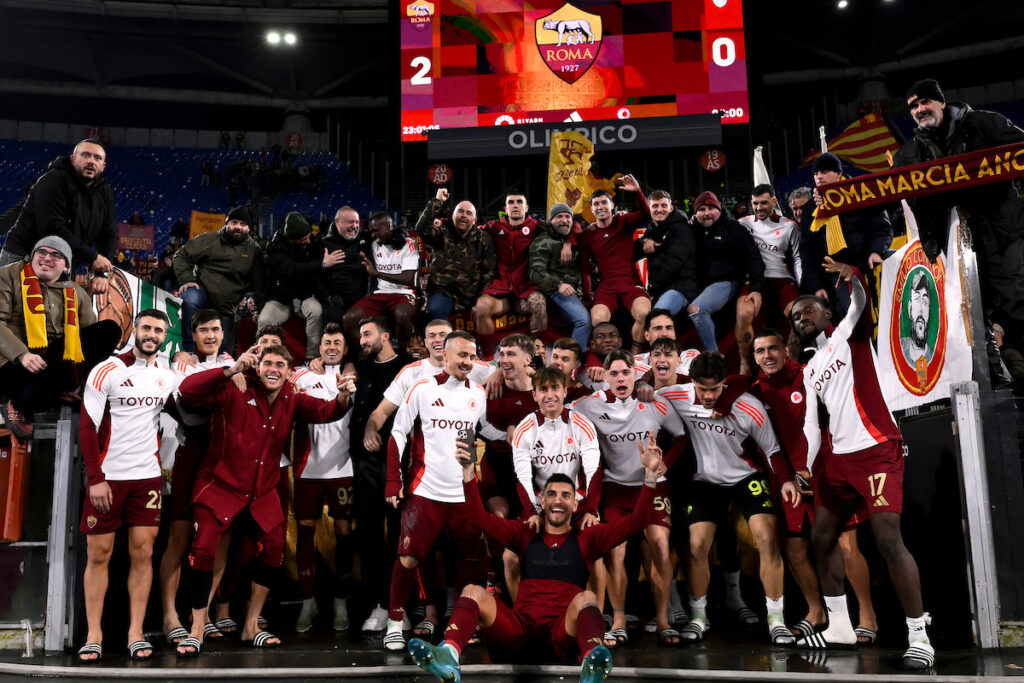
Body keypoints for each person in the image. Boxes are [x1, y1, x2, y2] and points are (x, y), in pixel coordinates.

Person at [406, 429, 666, 683]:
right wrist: (467, 471)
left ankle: (592, 664)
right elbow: (477, 518)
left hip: (561, 636)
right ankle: (448, 656)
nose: (558, 500)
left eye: (566, 495)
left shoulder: (589, 537)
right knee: (473, 591)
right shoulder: (525, 532)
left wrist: (650, 476)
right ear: (542, 501)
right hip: (520, 634)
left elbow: (637, 522)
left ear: (576, 504)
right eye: (551, 494)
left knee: (587, 598)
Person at [790, 259, 934, 669]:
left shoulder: (848, 334)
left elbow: (859, 302)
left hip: (876, 449)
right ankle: (839, 625)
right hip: (838, 461)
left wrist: (853, 276)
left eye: (808, 310)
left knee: (888, 539)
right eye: (795, 316)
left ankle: (919, 636)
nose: (801, 318)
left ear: (826, 313)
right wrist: (805, 467)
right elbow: (811, 425)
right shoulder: (809, 370)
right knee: (821, 538)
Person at [174, 344, 354, 657]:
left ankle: (250, 626)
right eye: (268, 363)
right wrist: (231, 370)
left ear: (289, 372)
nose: (273, 369)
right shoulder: (235, 387)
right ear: (258, 367)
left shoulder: (292, 396)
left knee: (273, 549)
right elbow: (188, 391)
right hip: (219, 486)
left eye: (280, 365)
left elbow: (327, 412)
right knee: (203, 550)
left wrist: (342, 397)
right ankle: (197, 629)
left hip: (261, 491)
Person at [747, 328, 877, 643]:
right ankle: (815, 612)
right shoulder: (755, 392)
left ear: (785, 350)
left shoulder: (810, 374)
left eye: (773, 348)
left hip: (830, 474)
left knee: (846, 546)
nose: (767, 355)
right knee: (795, 550)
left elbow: (839, 419)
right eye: (760, 351)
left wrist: (818, 472)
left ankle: (868, 617)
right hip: (792, 481)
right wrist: (787, 478)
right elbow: (770, 446)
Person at [657, 351, 796, 645]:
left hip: (746, 477)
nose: (708, 396)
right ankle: (698, 617)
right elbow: (647, 397)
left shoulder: (748, 406)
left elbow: (773, 451)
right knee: (697, 546)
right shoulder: (675, 396)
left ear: (724, 383)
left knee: (767, 540)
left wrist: (785, 480)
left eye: (715, 389)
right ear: (691, 382)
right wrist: (644, 389)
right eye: (702, 389)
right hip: (706, 481)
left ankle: (776, 619)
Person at [77, 309, 179, 663]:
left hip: (147, 478)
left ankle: (136, 633)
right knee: (98, 555)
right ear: (134, 329)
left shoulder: (167, 375)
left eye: (159, 330)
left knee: (143, 554)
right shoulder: (106, 369)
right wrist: (95, 479)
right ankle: (93, 635)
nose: (152, 335)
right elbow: (87, 427)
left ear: (165, 337)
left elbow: (194, 400)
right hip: (108, 479)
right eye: (146, 328)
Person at [893, 78, 1024, 348]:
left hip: (1003, 234)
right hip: (955, 247)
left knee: (1017, 301)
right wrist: (834, 198)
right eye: (914, 107)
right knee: (973, 319)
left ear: (941, 102)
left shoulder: (984, 124)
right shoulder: (910, 154)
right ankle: (997, 371)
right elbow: (883, 194)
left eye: (926, 102)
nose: (920, 109)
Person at [571, 350, 687, 647]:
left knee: (660, 547)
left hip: (654, 486)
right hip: (616, 489)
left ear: (636, 374)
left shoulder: (655, 403)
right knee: (616, 552)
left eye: (626, 373)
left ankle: (663, 620)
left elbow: (681, 436)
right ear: (606, 377)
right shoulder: (589, 405)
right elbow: (560, 403)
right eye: (614, 373)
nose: (620, 378)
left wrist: (665, 465)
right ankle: (619, 620)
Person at [382, 330, 488, 652]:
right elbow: (398, 432)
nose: (467, 362)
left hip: (463, 493)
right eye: (462, 356)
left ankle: (460, 623)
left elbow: (484, 432)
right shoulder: (422, 388)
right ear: (445, 355)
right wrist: (393, 480)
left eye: (472, 357)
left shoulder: (479, 394)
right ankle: (394, 624)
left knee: (469, 559)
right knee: (409, 557)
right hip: (425, 490)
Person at [159, 309, 235, 646]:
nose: (210, 335)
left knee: (220, 538)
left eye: (215, 329)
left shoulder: (232, 361)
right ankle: (169, 616)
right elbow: (187, 407)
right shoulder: (182, 363)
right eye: (204, 330)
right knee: (178, 537)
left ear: (223, 333)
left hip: (224, 457)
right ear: (194, 334)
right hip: (191, 453)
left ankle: (200, 616)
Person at [0, 236, 119, 439]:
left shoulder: (76, 292)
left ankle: (69, 385)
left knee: (109, 329)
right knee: (42, 371)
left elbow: (89, 339)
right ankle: (17, 405)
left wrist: (84, 374)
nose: (47, 258)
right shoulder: (7, 275)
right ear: (32, 256)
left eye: (56, 255)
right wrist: (22, 354)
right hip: (14, 364)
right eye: (42, 252)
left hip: (52, 363)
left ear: (66, 265)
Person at [288, 324, 356, 632]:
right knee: (305, 534)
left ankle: (341, 601)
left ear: (345, 349)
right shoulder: (302, 375)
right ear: (319, 347)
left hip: (343, 467)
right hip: (308, 467)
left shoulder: (354, 377)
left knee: (344, 533)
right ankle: (308, 601)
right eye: (327, 342)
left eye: (337, 343)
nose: (331, 347)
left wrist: (350, 371)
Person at [348, 317, 411, 632]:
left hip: (401, 463)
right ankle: (378, 605)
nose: (362, 340)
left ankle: (400, 606)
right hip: (366, 464)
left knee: (400, 537)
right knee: (369, 536)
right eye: (360, 335)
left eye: (367, 334)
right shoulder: (359, 368)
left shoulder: (409, 368)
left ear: (386, 335)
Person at [362, 319, 494, 454]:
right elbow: (382, 411)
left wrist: (499, 373)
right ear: (426, 342)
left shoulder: (472, 366)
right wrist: (370, 430)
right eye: (432, 336)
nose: (437, 340)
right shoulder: (411, 373)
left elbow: (504, 370)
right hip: (424, 457)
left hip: (463, 453)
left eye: (442, 335)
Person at [1, 139, 115, 295]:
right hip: (23, 257)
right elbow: (52, 229)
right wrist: (93, 257)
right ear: (72, 159)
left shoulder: (105, 192)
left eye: (97, 158)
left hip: (62, 262)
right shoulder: (53, 181)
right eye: (85, 155)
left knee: (56, 310)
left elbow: (109, 234)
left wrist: (101, 273)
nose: (91, 161)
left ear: (103, 166)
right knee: (12, 307)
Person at [799, 153, 891, 315]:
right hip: (835, 274)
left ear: (838, 173)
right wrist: (816, 286)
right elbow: (807, 251)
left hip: (867, 263)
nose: (819, 177)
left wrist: (876, 251)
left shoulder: (860, 193)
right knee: (857, 317)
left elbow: (881, 228)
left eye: (825, 171)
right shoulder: (810, 208)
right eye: (815, 173)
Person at [174, 205, 266, 356]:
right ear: (226, 222)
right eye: (234, 222)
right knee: (190, 298)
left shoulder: (254, 250)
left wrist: (258, 310)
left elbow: (259, 282)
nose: (238, 227)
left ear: (249, 228)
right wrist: (186, 279)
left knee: (223, 352)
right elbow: (181, 255)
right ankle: (188, 349)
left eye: (243, 224)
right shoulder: (208, 240)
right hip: (203, 291)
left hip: (227, 304)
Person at [578, 176, 652, 352]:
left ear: (612, 205)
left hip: (630, 283)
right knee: (598, 320)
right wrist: (587, 295)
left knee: (644, 313)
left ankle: (635, 356)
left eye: (604, 202)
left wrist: (637, 191)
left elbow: (645, 214)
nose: (600, 207)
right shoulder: (587, 235)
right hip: (607, 287)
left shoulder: (623, 221)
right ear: (591, 209)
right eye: (596, 204)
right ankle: (610, 359)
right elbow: (584, 268)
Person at [736, 184, 803, 374]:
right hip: (753, 282)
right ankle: (745, 365)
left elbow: (798, 258)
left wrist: (801, 287)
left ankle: (791, 366)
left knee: (798, 317)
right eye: (755, 203)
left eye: (764, 203)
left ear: (774, 201)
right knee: (743, 314)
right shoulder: (742, 223)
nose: (759, 208)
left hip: (782, 281)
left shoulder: (789, 225)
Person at [688, 191, 765, 352]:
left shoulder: (734, 228)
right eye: (702, 209)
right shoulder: (693, 231)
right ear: (695, 214)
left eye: (711, 208)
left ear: (719, 209)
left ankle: (714, 358)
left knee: (697, 310)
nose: (707, 213)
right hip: (701, 286)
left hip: (727, 282)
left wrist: (756, 288)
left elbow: (753, 258)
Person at [259, 212, 339, 361]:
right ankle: (264, 357)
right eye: (303, 239)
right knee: (265, 320)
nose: (308, 241)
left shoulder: (312, 242)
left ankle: (312, 357)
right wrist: (321, 264)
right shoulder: (276, 247)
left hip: (305, 295)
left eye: (309, 236)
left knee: (315, 311)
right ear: (291, 239)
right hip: (282, 298)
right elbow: (291, 269)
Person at [475, 191, 546, 353]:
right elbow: (468, 228)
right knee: (482, 306)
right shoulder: (494, 227)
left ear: (526, 207)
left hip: (525, 288)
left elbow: (568, 225)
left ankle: (535, 356)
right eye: (511, 202)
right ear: (505, 209)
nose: (515, 205)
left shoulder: (538, 227)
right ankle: (488, 358)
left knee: (539, 304)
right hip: (501, 288)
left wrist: (569, 243)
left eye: (519, 202)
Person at [416, 189, 497, 323]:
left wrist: (483, 298)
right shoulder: (442, 231)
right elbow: (421, 228)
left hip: (471, 294)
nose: (463, 215)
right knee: (436, 308)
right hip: (443, 292)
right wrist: (438, 200)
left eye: (468, 213)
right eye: (460, 211)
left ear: (475, 220)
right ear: (453, 215)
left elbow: (488, 273)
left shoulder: (483, 239)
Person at [344, 212, 419, 352]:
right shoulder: (373, 244)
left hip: (404, 293)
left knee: (403, 315)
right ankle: (363, 355)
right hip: (380, 293)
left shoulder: (409, 244)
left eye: (376, 231)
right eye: (371, 231)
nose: (373, 235)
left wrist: (377, 273)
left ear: (387, 226)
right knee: (349, 318)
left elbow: (407, 279)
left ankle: (402, 355)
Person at [529, 203, 591, 350]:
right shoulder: (543, 241)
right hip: (555, 292)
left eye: (567, 216)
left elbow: (577, 227)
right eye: (559, 217)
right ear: (551, 220)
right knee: (583, 321)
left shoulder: (572, 237)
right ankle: (575, 357)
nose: (564, 220)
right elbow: (535, 272)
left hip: (576, 291)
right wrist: (558, 284)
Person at [635, 190, 697, 317]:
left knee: (657, 318)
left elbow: (674, 264)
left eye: (664, 205)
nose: (659, 210)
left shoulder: (681, 229)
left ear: (671, 208)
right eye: (655, 206)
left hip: (681, 288)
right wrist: (645, 241)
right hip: (662, 288)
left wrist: (651, 289)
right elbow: (636, 250)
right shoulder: (652, 228)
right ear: (649, 208)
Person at [318, 206, 371, 329]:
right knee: (333, 323)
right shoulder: (323, 244)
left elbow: (385, 231)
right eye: (350, 222)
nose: (355, 226)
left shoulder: (365, 239)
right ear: (337, 222)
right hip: (335, 300)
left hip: (361, 298)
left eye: (357, 222)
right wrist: (328, 296)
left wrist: (401, 233)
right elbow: (316, 276)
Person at [548, 338, 592, 403]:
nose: (558, 362)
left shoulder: (583, 394)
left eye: (565, 359)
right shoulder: (537, 386)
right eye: (555, 357)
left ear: (575, 364)